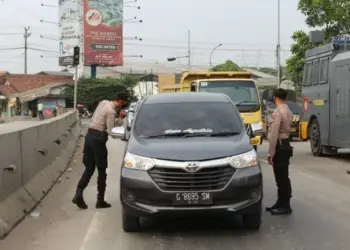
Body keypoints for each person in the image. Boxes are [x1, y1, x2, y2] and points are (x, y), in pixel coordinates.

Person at [72, 93, 128, 210]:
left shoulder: (103, 102)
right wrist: (120, 118)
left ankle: (78, 192)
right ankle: (100, 200)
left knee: (89, 168)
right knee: (102, 170)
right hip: (98, 139)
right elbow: (110, 130)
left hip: (89, 136)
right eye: (123, 104)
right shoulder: (111, 112)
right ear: (121, 102)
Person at [266, 88, 294, 215]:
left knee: (280, 177)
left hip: (280, 146)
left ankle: (285, 205)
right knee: (283, 176)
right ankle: (280, 202)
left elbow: (274, 135)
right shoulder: (287, 110)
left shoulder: (278, 113)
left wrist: (270, 154)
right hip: (286, 144)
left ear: (275, 98)